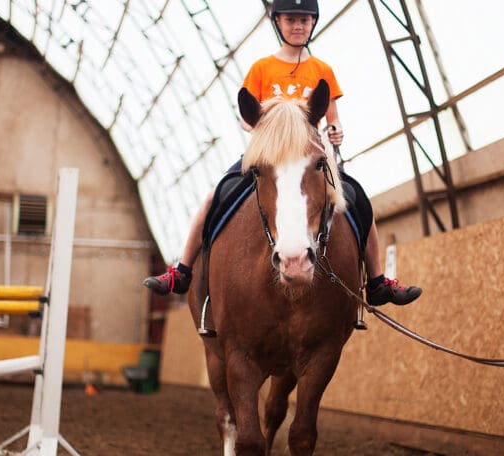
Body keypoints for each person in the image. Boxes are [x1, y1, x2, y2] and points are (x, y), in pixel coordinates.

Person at [143, 0, 421, 307]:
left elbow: (332, 116)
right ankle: (182, 271)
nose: (298, 25)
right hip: (269, 156)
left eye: (304, 19)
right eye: (291, 19)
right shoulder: (263, 68)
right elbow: (246, 117)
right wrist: (260, 125)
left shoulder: (321, 70)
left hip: (307, 157)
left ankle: (377, 280)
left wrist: (335, 130)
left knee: (358, 199)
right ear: (278, 23)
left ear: (313, 22)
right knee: (213, 198)